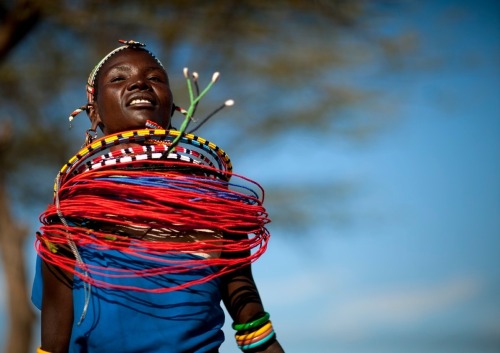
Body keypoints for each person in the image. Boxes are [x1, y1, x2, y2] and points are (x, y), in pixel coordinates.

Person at [32, 40, 284, 353]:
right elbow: (52, 344)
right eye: (118, 78)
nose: (139, 83)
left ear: (170, 104)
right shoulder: (70, 215)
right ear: (94, 113)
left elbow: (253, 325)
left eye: (155, 79)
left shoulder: (216, 206)